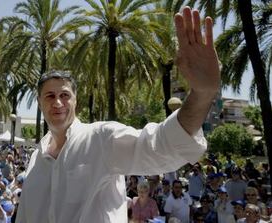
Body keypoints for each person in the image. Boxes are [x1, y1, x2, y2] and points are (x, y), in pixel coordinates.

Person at [16, 6, 220, 223]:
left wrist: (202, 94)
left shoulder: (101, 138)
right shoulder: (36, 158)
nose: (58, 102)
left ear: (76, 100)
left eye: (64, 95)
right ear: (39, 103)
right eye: (49, 96)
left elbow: (159, 147)